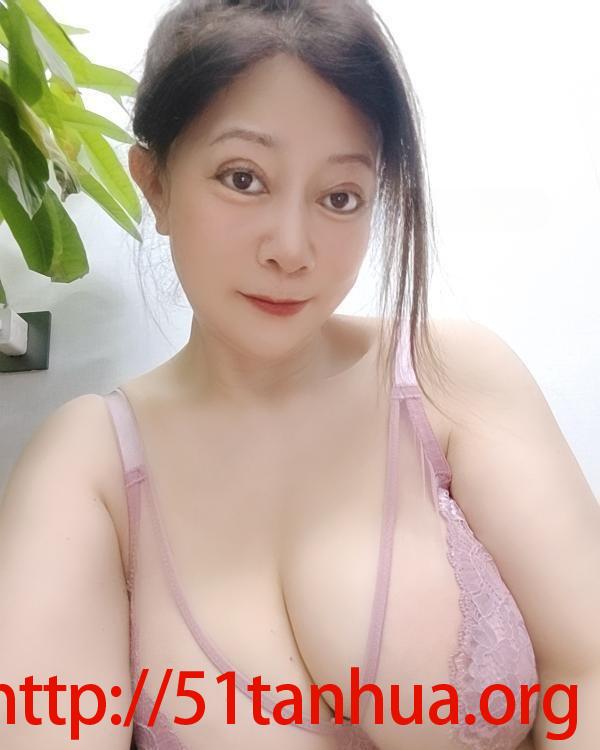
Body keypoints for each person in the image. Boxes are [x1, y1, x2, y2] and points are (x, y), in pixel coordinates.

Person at [1, 1, 599, 749]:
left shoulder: (449, 377)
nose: (291, 247)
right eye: (243, 178)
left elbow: (589, 671)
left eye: (340, 197)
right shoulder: (88, 466)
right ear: (155, 184)